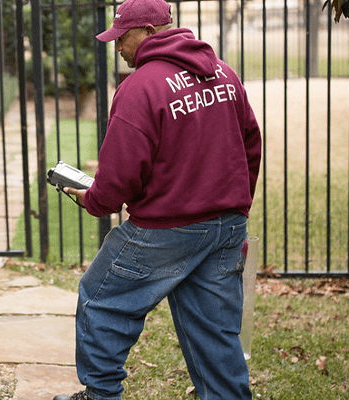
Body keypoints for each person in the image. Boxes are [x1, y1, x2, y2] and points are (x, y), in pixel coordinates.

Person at [53, 0, 262, 398]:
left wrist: (92, 200)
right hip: (226, 228)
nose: (117, 47)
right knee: (214, 332)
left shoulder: (139, 88)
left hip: (165, 231)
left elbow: (119, 178)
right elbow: (251, 143)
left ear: (149, 31)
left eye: (122, 37)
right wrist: (234, 207)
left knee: (101, 302)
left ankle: (100, 395)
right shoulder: (224, 74)